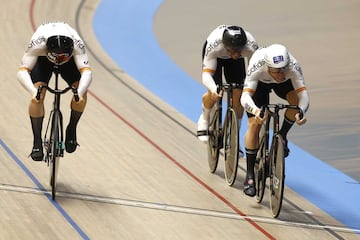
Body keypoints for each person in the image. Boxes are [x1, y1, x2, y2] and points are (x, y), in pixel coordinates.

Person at [240, 44, 309, 197]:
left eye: (284, 69)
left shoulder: (292, 66)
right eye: (277, 71)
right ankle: (250, 175)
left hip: (282, 86)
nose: (281, 74)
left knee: (294, 100)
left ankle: (282, 135)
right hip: (260, 84)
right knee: (254, 125)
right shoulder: (257, 65)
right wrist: (256, 111)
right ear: (268, 67)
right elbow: (244, 97)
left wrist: (301, 111)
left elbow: (304, 96)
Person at [17, 21, 92, 161]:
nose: (58, 60)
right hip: (43, 60)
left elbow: (87, 72)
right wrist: (33, 92)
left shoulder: (77, 45)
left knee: (81, 91)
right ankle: (37, 142)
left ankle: (72, 128)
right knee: (38, 96)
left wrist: (80, 93)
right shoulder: (38, 44)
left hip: (69, 63)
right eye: (56, 57)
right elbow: (22, 71)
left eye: (63, 56)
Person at [196, 25, 259, 156]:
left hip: (234, 63)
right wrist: (213, 89)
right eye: (232, 50)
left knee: (239, 92)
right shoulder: (214, 45)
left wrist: (246, 90)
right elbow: (206, 75)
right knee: (214, 93)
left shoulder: (250, 46)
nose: (236, 53)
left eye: (239, 50)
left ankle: (233, 138)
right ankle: (205, 117)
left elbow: (254, 73)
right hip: (216, 58)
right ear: (225, 45)